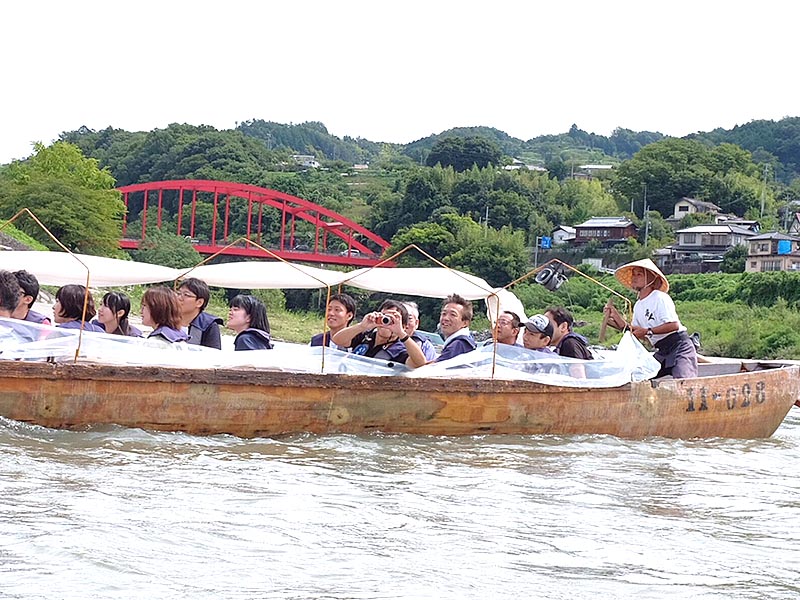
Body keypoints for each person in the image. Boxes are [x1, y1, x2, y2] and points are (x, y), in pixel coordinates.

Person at [605, 258, 698, 379]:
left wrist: (648, 331)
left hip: (679, 346)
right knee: (638, 376)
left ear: (651, 279)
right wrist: (614, 317)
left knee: (683, 381)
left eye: (639, 274)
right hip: (662, 350)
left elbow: (673, 325)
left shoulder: (660, 298)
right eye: (633, 274)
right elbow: (634, 331)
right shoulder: (638, 305)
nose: (634, 277)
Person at [332, 299, 427, 368]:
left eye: (393, 319)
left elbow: (420, 363)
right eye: (384, 317)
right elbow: (337, 340)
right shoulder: (366, 336)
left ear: (404, 325)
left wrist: (401, 333)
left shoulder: (399, 350)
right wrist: (362, 326)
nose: (386, 322)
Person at [176, 277, 222, 349]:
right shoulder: (167, 319)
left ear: (199, 302)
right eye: (178, 293)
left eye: (186, 295)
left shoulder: (208, 325)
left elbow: (214, 356)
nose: (179, 298)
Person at [436, 293, 477, 362]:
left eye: (453, 315)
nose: (446, 318)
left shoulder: (459, 346)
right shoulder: (466, 341)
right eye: (444, 314)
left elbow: (433, 368)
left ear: (465, 323)